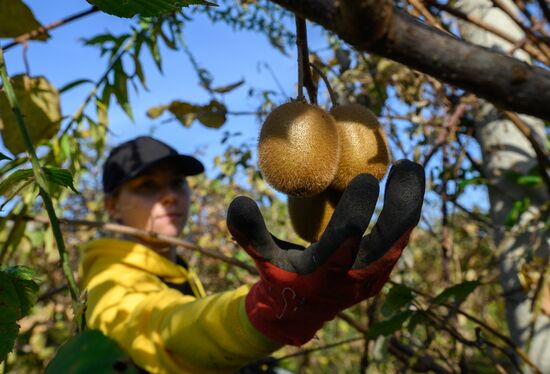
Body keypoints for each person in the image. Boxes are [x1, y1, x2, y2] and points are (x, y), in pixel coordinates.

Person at [79, 135, 425, 373]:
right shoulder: (109, 278)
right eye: (147, 186)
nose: (170, 196)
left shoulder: (176, 270)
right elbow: (162, 330)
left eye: (176, 183)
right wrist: (267, 310)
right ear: (111, 206)